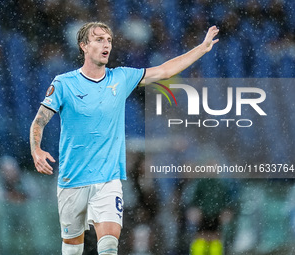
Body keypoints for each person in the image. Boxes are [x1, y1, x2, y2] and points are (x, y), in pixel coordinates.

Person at [30, 21, 219, 255]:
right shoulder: (63, 83)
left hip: (109, 179)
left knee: (109, 244)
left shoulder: (121, 78)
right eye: (99, 39)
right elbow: (39, 120)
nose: (106, 44)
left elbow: (164, 71)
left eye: (109, 40)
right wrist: (36, 149)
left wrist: (200, 49)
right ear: (83, 46)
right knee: (72, 248)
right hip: (74, 176)